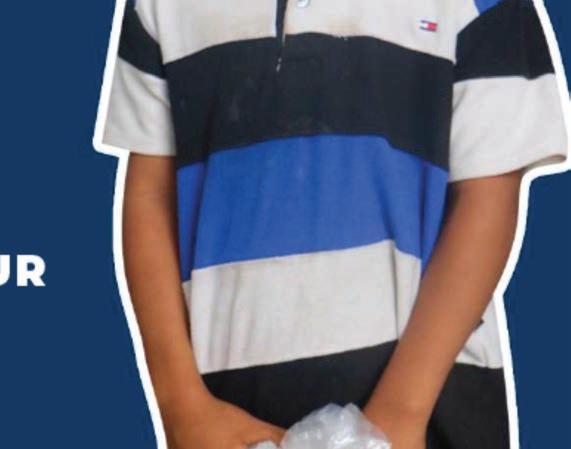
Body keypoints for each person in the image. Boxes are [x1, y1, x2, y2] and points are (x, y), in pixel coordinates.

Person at [99, 1, 568, 448]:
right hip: (224, 409)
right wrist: (181, 405)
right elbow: (150, 195)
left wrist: (402, 413)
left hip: (428, 409)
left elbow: (488, 195)